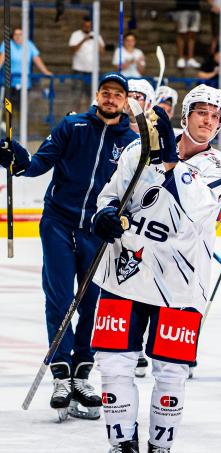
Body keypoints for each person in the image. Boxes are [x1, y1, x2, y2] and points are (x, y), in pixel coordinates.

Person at [89, 84, 221, 452]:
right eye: (201, 111)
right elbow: (112, 191)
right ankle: (121, 443)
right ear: (185, 115)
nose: (209, 120)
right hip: (124, 272)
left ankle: (161, 446)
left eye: (216, 115)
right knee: (113, 364)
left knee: (171, 370)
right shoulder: (140, 147)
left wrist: (170, 161)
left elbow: (191, 209)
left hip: (180, 285)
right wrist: (104, 213)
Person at [0, 72, 138, 422]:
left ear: (126, 101)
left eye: (117, 94)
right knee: (59, 298)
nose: (110, 98)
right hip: (59, 224)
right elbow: (33, 166)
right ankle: (61, 375)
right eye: (106, 92)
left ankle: (82, 375)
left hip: (98, 230)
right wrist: (12, 155)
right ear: (97, 95)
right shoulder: (72, 126)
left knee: (92, 303)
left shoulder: (133, 142)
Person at [0, 27, 53, 107]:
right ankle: (7, 118)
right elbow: (1, 59)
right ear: (12, 36)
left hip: (24, 83)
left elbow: (37, 59)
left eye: (20, 34)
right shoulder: (7, 44)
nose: (18, 36)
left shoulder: (29, 45)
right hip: (8, 82)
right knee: (8, 107)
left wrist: (46, 71)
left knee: (19, 107)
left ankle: (16, 118)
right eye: (16, 34)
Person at [69, 16, 105, 107]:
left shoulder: (97, 35)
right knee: (77, 97)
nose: (87, 27)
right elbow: (72, 50)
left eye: (89, 26)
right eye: (85, 26)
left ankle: (89, 118)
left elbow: (102, 52)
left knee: (92, 97)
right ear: (82, 25)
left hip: (93, 72)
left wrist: (96, 40)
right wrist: (84, 39)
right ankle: (75, 118)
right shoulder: (76, 34)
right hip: (78, 70)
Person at [174, 0, 202, 69]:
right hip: (182, 7)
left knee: (193, 33)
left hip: (195, 7)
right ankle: (180, 58)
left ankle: (190, 58)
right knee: (181, 32)